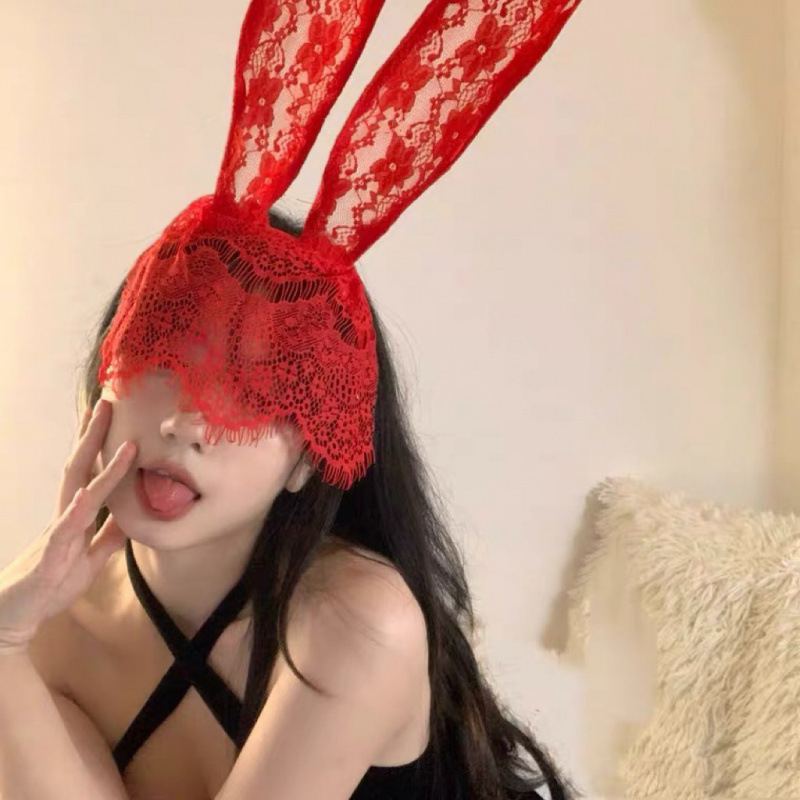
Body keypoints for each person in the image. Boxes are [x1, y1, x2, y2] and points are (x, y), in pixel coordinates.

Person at [0, 1, 585, 797]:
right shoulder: (44, 621)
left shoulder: (355, 622)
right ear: (105, 372)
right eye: (166, 355)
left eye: (257, 390)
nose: (187, 422)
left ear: (312, 456)